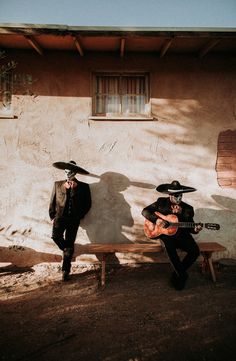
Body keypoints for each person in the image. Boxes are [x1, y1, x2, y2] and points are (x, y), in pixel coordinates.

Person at [142, 180, 202, 290]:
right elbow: (145, 211)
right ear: (170, 195)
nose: (178, 199)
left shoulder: (188, 209)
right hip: (165, 235)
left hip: (182, 234)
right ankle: (182, 276)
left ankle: (178, 273)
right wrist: (157, 220)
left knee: (195, 251)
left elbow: (191, 227)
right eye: (176, 196)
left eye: (180, 196)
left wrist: (195, 229)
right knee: (170, 248)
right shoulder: (161, 203)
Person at [49, 160, 91, 281]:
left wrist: (79, 216)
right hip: (60, 218)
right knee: (56, 237)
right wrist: (52, 216)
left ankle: (65, 271)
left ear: (75, 173)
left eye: (70, 171)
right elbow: (52, 201)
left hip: (74, 219)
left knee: (70, 241)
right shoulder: (57, 184)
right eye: (66, 171)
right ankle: (68, 250)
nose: (68, 174)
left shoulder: (84, 187)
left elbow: (87, 204)